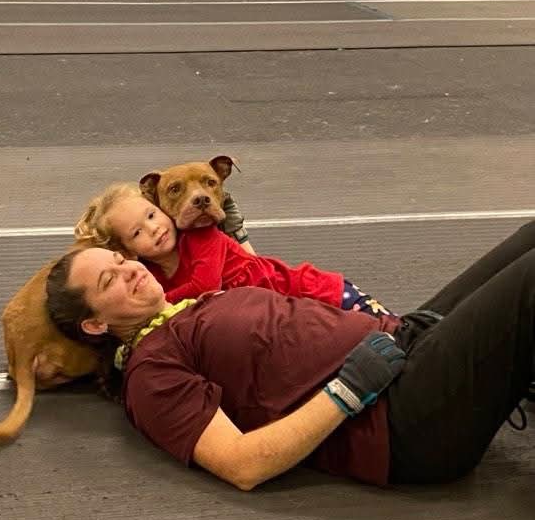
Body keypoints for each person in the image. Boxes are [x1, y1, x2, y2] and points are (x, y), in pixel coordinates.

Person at [44, 221, 535, 490]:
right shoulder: (149, 372)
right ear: (95, 324)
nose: (130, 270)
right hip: (400, 418)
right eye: (110, 280)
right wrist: (347, 390)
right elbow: (242, 464)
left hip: (403, 343)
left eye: (121, 260)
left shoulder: (189, 304)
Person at [74, 182, 393, 316]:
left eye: (152, 215)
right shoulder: (152, 275)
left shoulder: (200, 237)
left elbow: (205, 285)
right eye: (137, 232)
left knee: (398, 337)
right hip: (284, 314)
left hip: (315, 292)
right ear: (128, 251)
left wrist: (158, 304)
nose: (154, 228)